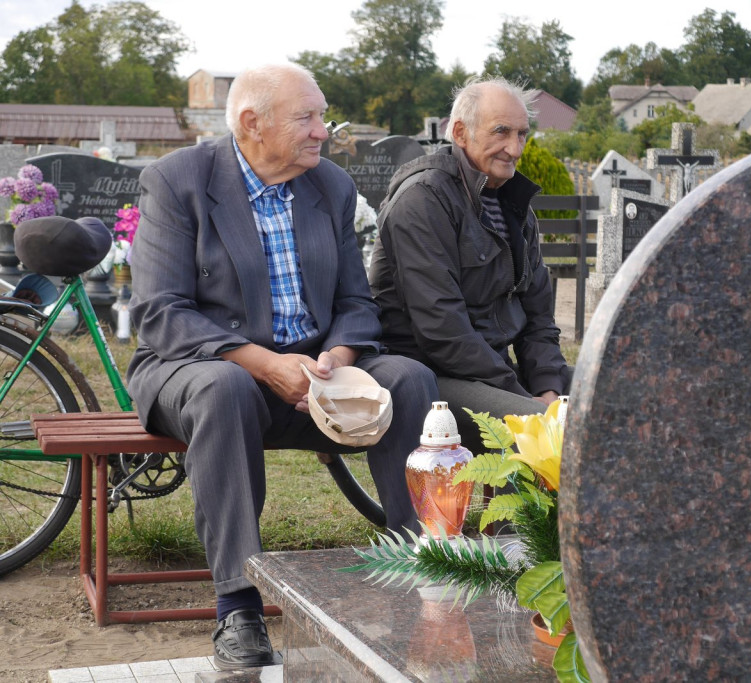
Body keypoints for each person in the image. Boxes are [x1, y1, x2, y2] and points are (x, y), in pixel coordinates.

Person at [126, 63, 437, 670]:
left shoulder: (330, 186)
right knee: (225, 389)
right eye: (307, 118)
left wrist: (338, 358)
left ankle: (421, 566)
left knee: (408, 379)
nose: (324, 131)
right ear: (251, 123)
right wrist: (266, 365)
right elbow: (160, 313)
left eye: (323, 116)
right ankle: (238, 606)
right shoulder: (178, 180)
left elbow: (356, 302)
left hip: (313, 378)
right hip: (199, 370)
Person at [369, 76, 571, 455]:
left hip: (491, 370)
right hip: (428, 374)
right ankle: (516, 499)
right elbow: (443, 332)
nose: (515, 148)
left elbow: (539, 318)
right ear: (461, 133)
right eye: (501, 132)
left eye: (522, 134)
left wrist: (548, 387)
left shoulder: (514, 204)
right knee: (544, 432)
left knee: (609, 402)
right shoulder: (424, 199)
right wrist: (520, 394)